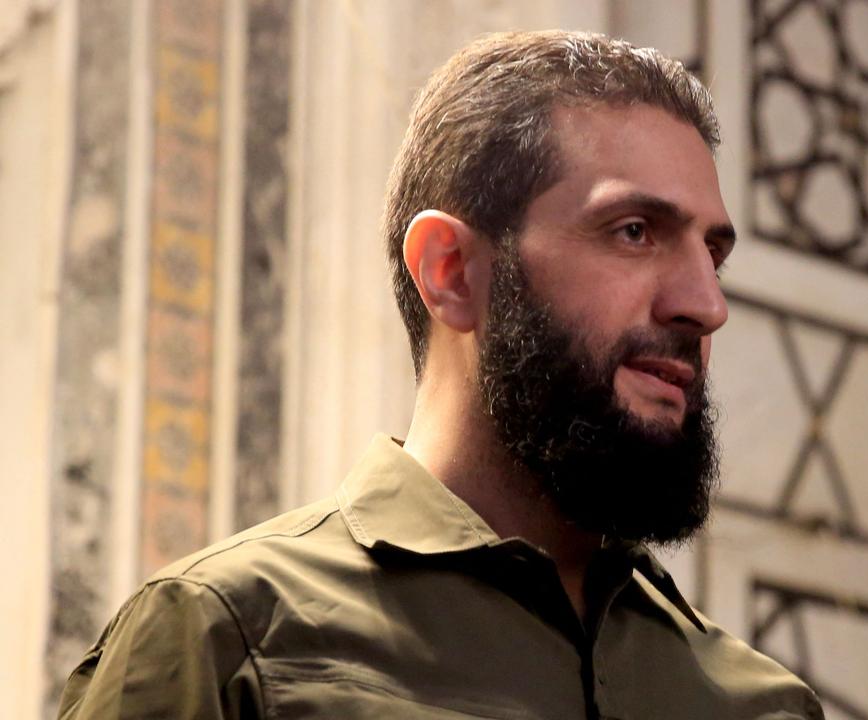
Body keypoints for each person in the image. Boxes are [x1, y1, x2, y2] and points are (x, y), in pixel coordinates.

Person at [57, 30, 824, 719]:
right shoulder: (226, 638)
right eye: (634, 232)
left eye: (712, 254)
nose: (706, 305)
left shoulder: (762, 703)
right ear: (452, 272)